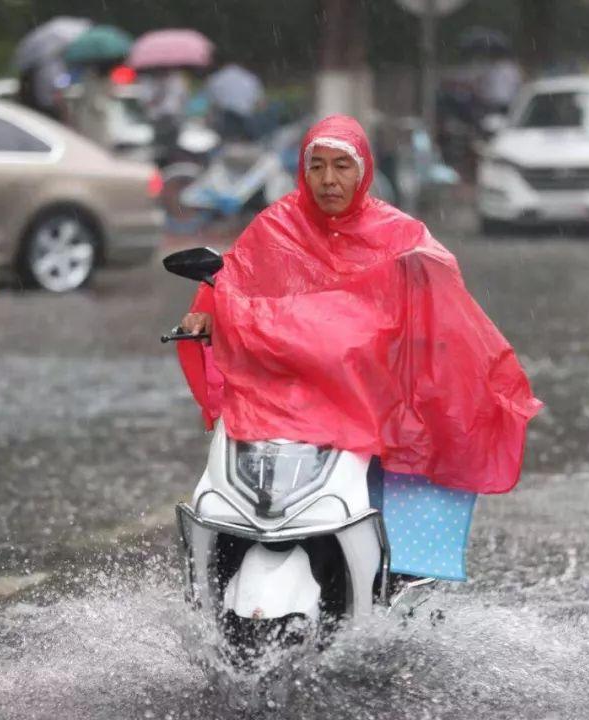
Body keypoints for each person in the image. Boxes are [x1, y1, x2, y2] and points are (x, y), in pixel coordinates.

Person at [177, 115, 541, 505]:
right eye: (316, 167)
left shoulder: (400, 233)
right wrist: (206, 313)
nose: (328, 179)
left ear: (363, 171)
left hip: (366, 397)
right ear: (303, 172)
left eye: (341, 166)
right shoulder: (277, 227)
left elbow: (440, 287)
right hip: (284, 395)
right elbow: (232, 278)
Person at [205, 61, 264, 140]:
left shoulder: (216, 78)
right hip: (246, 120)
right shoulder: (250, 78)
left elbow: (211, 103)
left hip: (225, 121)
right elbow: (261, 104)